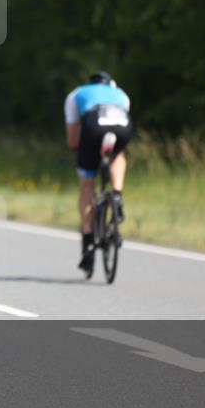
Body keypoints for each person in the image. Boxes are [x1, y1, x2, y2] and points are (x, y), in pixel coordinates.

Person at [64, 71, 133, 277]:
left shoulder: (76, 94)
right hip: (122, 126)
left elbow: (73, 140)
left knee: (87, 186)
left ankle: (88, 242)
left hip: (94, 124)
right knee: (118, 154)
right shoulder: (121, 93)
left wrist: (83, 153)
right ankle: (117, 193)